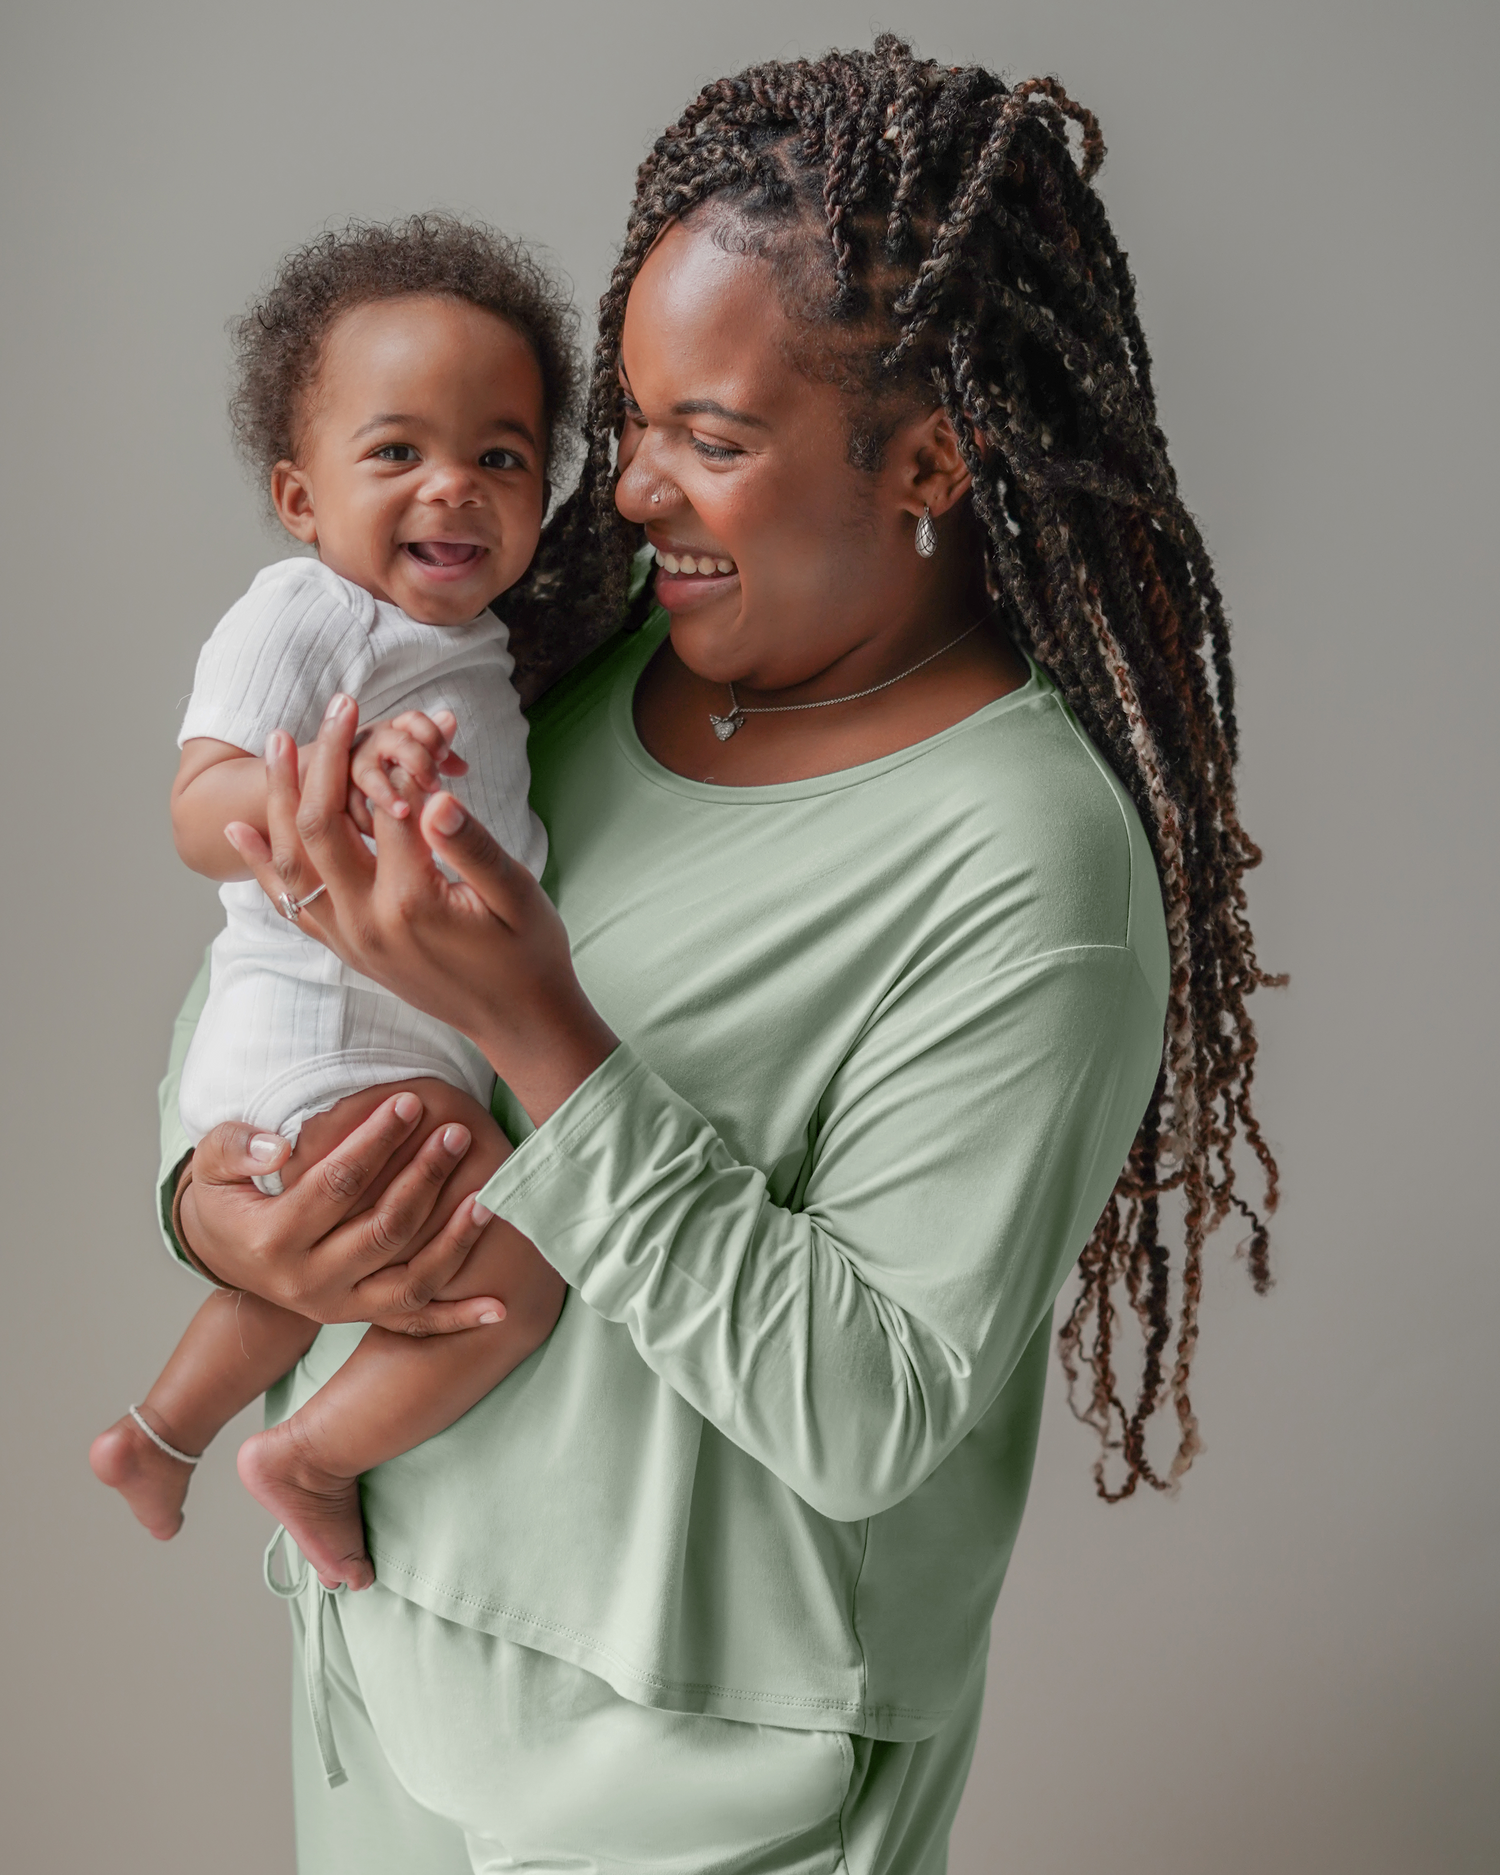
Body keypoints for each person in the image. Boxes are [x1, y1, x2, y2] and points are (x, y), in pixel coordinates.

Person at [156, 41, 1281, 1872]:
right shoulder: (580, 679)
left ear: (931, 454)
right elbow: (276, 963)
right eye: (640, 424)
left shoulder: (1027, 869)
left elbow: (871, 1407)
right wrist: (217, 1202)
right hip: (384, 1673)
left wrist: (545, 1030)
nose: (628, 495)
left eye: (718, 438)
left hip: (694, 1785)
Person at [91, 217, 579, 1591]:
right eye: (398, 453)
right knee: (524, 1246)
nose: (456, 488)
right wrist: (332, 778)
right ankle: (314, 1452)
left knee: (306, 1260)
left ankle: (160, 1431)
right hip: (321, 1035)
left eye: (501, 456)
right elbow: (198, 810)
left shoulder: (472, 648)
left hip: (370, 1042)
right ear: (301, 498)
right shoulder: (313, 613)